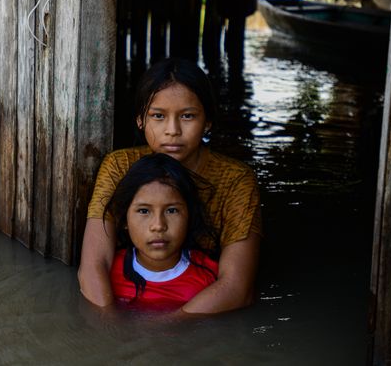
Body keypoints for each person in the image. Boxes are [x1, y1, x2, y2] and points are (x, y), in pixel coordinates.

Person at [79, 58, 262, 313]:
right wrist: (110, 325)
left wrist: (169, 329)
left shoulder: (235, 180)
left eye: (187, 116)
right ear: (140, 120)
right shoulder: (120, 166)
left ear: (207, 121)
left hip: (197, 298)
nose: (172, 130)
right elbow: (93, 264)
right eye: (158, 116)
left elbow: (236, 287)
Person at [105, 153, 219, 307]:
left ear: (190, 216)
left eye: (171, 211)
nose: (158, 225)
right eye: (144, 211)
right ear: (124, 219)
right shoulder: (106, 275)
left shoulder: (210, 278)